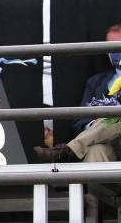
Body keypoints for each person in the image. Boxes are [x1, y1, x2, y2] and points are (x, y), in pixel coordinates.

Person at [34, 24, 121, 163]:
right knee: (95, 150)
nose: (115, 52)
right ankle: (98, 184)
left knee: (116, 115)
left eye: (119, 46)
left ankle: (67, 149)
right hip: (107, 141)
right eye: (110, 47)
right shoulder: (96, 82)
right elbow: (81, 120)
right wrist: (93, 124)